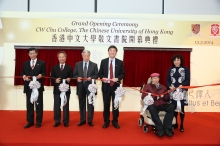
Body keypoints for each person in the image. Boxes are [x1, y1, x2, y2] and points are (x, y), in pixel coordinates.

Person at [99, 45, 125, 129]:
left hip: (116, 87)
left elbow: (123, 74)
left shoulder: (120, 62)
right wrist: (103, 78)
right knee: (106, 105)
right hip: (106, 86)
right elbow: (100, 73)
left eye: (114, 51)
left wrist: (117, 78)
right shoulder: (103, 61)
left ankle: (115, 121)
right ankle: (106, 121)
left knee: (115, 105)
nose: (112, 52)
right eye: (111, 50)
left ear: (116, 53)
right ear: (108, 52)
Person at [141, 73, 175, 137]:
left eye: (157, 78)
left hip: (163, 104)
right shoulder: (147, 86)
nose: (155, 80)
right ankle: (160, 129)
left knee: (172, 106)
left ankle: (167, 128)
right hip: (153, 104)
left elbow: (167, 98)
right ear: (151, 79)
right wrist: (155, 97)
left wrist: (164, 96)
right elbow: (143, 97)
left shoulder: (163, 87)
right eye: (154, 78)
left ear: (159, 79)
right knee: (151, 108)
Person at [73, 50, 98, 127]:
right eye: (85, 56)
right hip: (81, 86)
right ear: (82, 56)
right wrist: (77, 78)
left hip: (90, 87)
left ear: (89, 56)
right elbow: (74, 74)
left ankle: (90, 120)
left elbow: (97, 75)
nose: (86, 57)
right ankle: (82, 120)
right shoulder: (78, 64)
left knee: (90, 104)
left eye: (87, 56)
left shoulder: (94, 65)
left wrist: (91, 77)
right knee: (82, 103)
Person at [22, 48, 46, 128]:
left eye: (33, 53)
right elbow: (22, 73)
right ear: (28, 55)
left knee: (39, 105)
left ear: (37, 53)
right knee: (29, 105)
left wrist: (41, 75)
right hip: (28, 87)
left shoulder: (42, 63)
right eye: (30, 53)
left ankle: (39, 122)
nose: (32, 55)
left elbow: (44, 73)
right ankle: (30, 121)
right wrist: (24, 77)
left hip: (38, 86)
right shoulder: (25, 63)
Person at [166, 54, 190, 132]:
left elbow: (187, 79)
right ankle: (175, 123)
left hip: (182, 91)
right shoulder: (170, 69)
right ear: (173, 61)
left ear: (181, 61)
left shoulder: (185, 68)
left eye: (178, 60)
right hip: (172, 91)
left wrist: (182, 85)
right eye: (175, 60)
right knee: (173, 108)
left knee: (182, 109)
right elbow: (167, 79)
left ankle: (182, 124)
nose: (176, 62)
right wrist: (169, 86)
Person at [51, 51, 72, 127]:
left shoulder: (69, 67)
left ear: (65, 58)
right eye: (60, 57)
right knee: (56, 106)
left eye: (63, 57)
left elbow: (71, 77)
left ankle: (66, 121)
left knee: (65, 106)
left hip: (66, 90)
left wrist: (70, 79)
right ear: (58, 58)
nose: (61, 58)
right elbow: (51, 77)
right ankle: (57, 120)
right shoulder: (54, 67)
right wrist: (55, 80)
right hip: (57, 90)